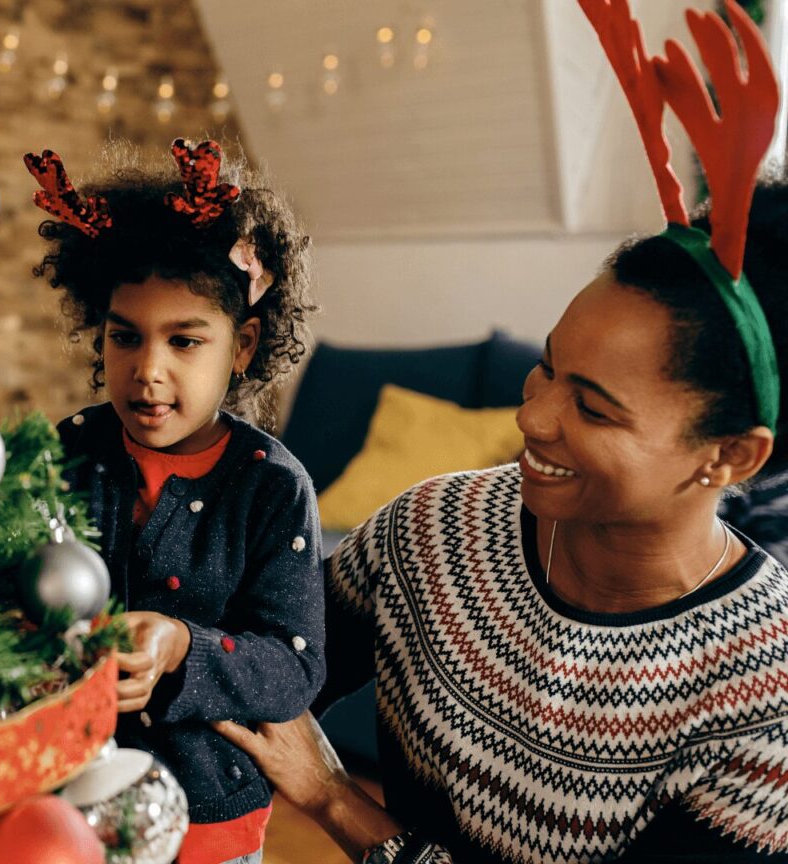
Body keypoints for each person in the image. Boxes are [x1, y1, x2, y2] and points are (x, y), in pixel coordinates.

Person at [215, 3, 788, 862]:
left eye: (593, 407)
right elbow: (256, 661)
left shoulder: (762, 701)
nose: (534, 416)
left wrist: (339, 804)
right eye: (548, 367)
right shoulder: (431, 531)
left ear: (730, 455)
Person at [27, 139, 324, 864]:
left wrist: (184, 646)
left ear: (243, 345)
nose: (146, 371)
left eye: (185, 342)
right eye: (125, 337)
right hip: (64, 797)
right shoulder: (70, 447)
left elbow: (293, 666)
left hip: (208, 823)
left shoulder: (273, 487)